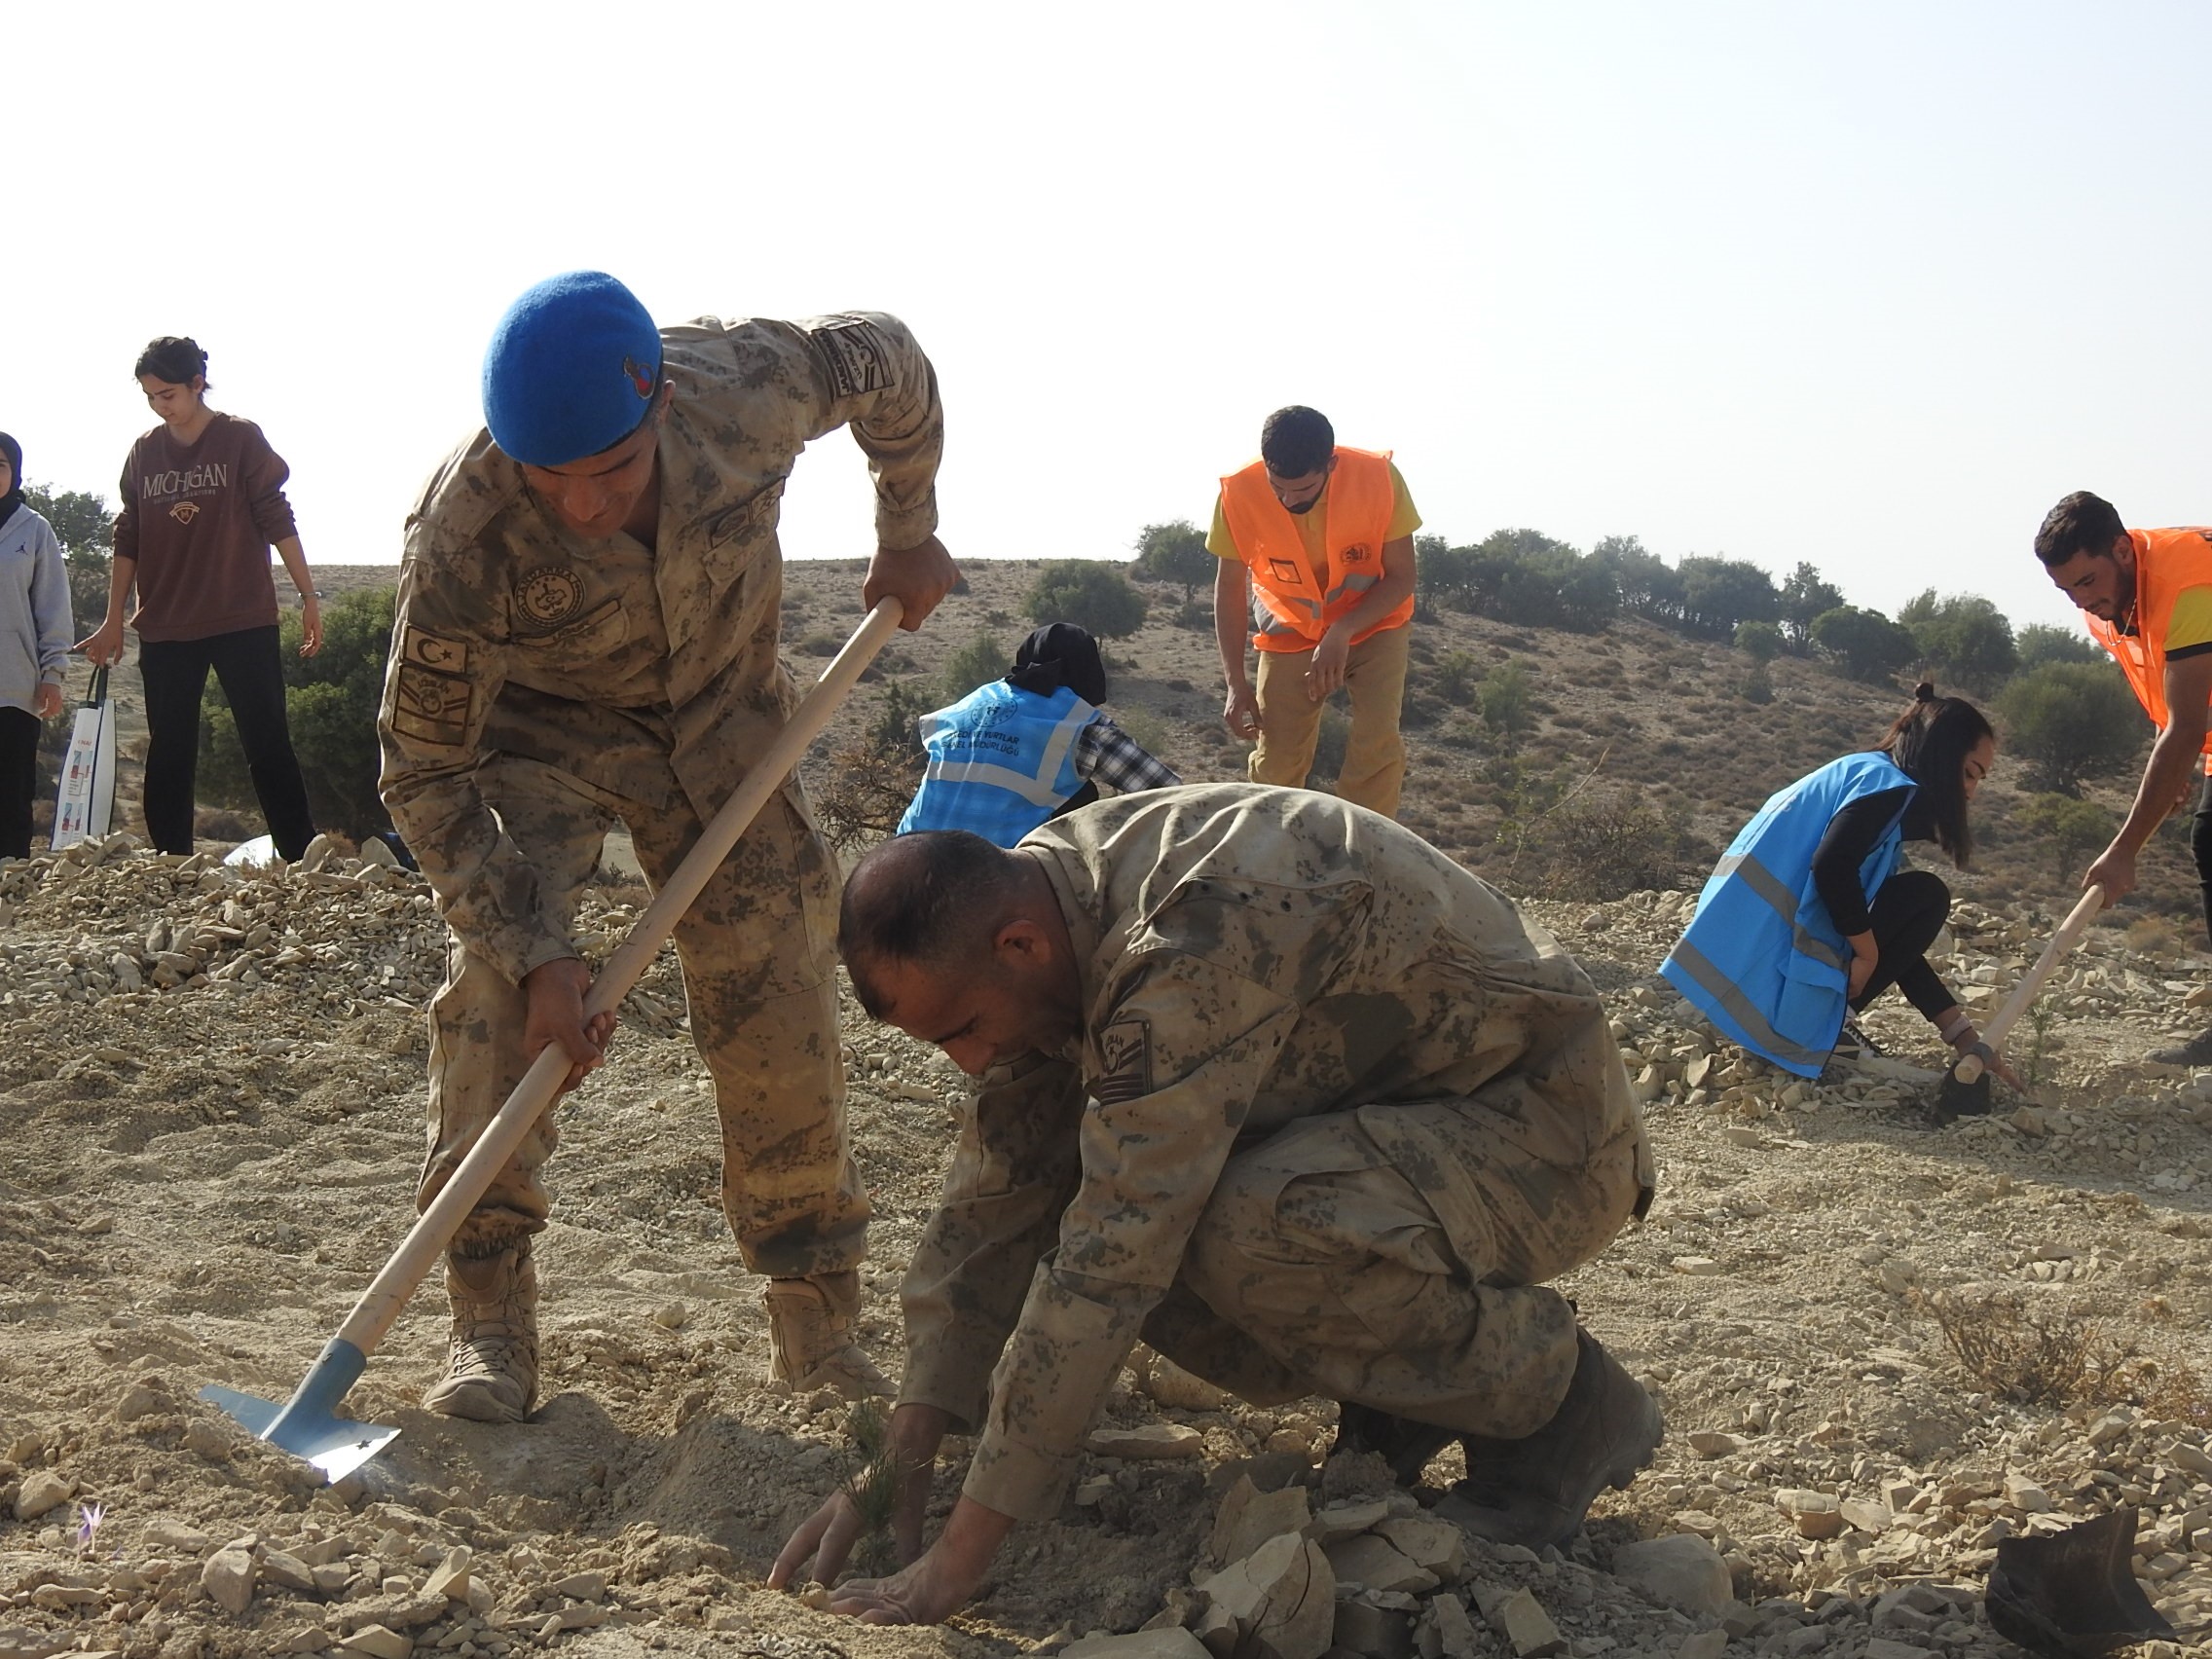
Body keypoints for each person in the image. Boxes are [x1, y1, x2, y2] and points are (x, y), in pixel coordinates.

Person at [773, 783, 1660, 1625]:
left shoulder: (1185, 939)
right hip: (1391, 1129)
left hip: (1545, 1138)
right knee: (1136, 1216)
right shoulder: (1043, 906)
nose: (968, 1062)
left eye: (963, 1029)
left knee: (1247, 1228)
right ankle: (1409, 1393)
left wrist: (957, 1563)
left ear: (1018, 945)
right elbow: (993, 1203)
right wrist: (902, 1454)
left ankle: (1561, 1403)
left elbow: (1113, 1257)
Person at [378, 271, 957, 1423]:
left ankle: (816, 1318)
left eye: (613, 471)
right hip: (538, 739)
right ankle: (488, 1316)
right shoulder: (465, 531)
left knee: (779, 985)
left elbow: (891, 357)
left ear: (660, 410)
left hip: (724, 716)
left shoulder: (750, 383)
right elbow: (423, 773)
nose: (585, 506)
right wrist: (544, 954)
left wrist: (910, 529)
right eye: (555, 482)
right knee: (497, 998)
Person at [1660, 686, 2015, 1086]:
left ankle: (1830, 1024)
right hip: (1755, 964)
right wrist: (1864, 953)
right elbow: (1831, 867)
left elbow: (1891, 940)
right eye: (1969, 773)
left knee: (1905, 904)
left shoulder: (1868, 774)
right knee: (1927, 896)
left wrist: (1962, 1035)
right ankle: (1823, 1027)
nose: (1970, 791)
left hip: (1729, 959)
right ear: (1942, 753)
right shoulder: (1886, 789)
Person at [77, 337, 321, 862]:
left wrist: (308, 595)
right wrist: (113, 619)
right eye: (149, 397)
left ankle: (302, 861)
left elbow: (276, 515)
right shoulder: (144, 452)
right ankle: (172, 864)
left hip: (242, 618)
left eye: (167, 394)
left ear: (196, 384)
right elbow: (129, 537)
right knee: (169, 752)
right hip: (166, 624)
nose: (160, 405)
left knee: (267, 742)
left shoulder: (239, 438)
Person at [2035, 492, 2212, 1063]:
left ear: (2121, 549)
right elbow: (2173, 705)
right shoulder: (2109, 606)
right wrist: (2174, 770)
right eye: (2068, 590)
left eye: (2088, 581)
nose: (2083, 600)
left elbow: (2185, 728)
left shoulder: (2189, 582)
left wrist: (2124, 850)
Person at [1210, 406, 1419, 817]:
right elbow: (1229, 590)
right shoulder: (1238, 491)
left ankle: (1361, 855)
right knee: (1276, 761)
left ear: (1331, 464)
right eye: (1277, 488)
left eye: (1302, 490)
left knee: (1376, 746)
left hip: (1375, 623)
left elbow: (1401, 577)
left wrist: (1341, 632)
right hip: (1291, 630)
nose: (1288, 500)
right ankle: (1267, 854)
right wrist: (1235, 682)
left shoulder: (1378, 478)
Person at [897, 622, 1180, 843]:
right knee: (1085, 795)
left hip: (908, 848)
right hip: (992, 872)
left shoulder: (973, 700)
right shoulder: (1078, 725)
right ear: (1088, 672)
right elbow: (1169, 793)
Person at [0, 434, 70, 860]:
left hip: (15, 685)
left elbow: (52, 607)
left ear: (15, 471)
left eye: (0, 464)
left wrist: (53, 674)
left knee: (12, 788)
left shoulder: (35, 529)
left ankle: (11, 884)